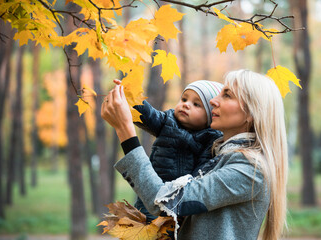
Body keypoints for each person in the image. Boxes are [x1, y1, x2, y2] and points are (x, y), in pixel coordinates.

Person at [101, 69, 288, 240]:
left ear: (251, 113)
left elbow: (165, 203)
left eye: (227, 95)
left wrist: (125, 130)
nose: (214, 101)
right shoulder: (219, 155)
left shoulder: (249, 169)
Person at [131, 80, 224, 221]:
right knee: (143, 225)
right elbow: (148, 115)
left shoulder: (210, 140)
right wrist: (131, 97)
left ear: (210, 117)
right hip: (151, 193)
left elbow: (200, 174)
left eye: (196, 104)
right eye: (184, 99)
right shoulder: (168, 121)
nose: (186, 104)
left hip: (177, 203)